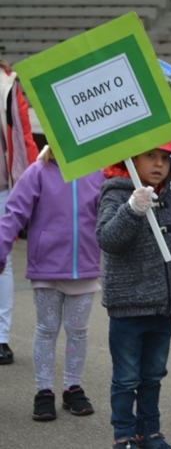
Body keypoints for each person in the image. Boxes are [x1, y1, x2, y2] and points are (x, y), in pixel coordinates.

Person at [96, 142, 171, 449]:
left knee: (152, 376)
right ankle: (123, 434)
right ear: (132, 157)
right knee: (126, 379)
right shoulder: (116, 192)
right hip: (128, 307)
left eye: (165, 158)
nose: (159, 164)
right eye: (151, 155)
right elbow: (108, 239)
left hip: (161, 307)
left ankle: (149, 431)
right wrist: (132, 210)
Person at [0, 145, 103, 420]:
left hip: (85, 267)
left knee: (78, 330)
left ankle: (73, 387)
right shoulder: (38, 171)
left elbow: (108, 216)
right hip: (46, 267)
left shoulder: (96, 173)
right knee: (46, 329)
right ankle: (43, 390)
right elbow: (13, 213)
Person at [0, 59, 39, 365]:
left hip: (2, 186)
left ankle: (0, 337)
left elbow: (23, 135)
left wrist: (30, 181)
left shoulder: (8, 83)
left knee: (2, 263)